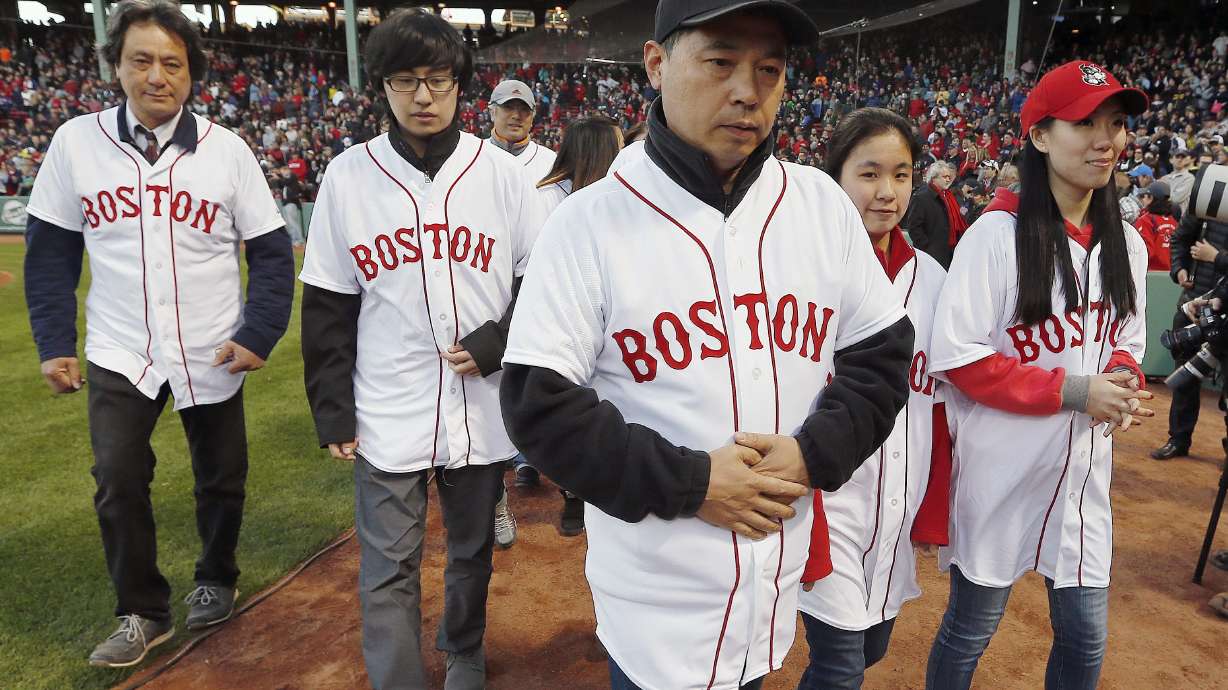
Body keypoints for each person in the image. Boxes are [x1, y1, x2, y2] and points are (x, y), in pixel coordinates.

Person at [500, 1, 915, 688]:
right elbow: (538, 406)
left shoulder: (817, 205)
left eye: (770, 69)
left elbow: (883, 355)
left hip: (773, 597)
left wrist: (815, 454)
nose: (748, 91)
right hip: (653, 613)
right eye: (721, 61)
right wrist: (694, 483)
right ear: (657, 65)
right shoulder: (589, 222)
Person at [22, 0, 294, 668]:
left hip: (211, 342)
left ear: (192, 75)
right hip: (122, 346)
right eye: (141, 59)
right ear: (115, 65)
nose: (156, 75)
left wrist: (258, 332)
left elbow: (272, 252)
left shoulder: (227, 152)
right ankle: (142, 611)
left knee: (222, 479)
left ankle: (217, 577)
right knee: (117, 477)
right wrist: (55, 341)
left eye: (172, 63)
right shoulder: (75, 144)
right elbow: (50, 253)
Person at [298, 10, 544, 689]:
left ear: (461, 85)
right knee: (387, 564)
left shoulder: (500, 175)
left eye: (437, 79)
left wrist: (498, 340)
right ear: (382, 86)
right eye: (406, 80)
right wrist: (333, 409)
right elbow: (326, 303)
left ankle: (463, 650)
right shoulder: (348, 177)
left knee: (470, 551)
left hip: (478, 402)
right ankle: (399, 678)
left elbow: (543, 283)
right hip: (387, 400)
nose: (424, 96)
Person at [925, 61, 1153, 690]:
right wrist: (1079, 390)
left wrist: (1122, 380)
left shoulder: (1125, 242)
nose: (1106, 139)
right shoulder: (994, 236)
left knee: (1084, 641)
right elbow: (959, 356)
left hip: (1083, 472)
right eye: (1085, 123)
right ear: (1040, 136)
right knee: (972, 627)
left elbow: (1126, 341)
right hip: (1003, 463)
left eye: (1116, 123)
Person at [795, 108, 950, 689]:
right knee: (840, 668)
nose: (887, 192)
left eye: (902, 174)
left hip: (896, 502)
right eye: (868, 174)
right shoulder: (803, 269)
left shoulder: (931, 279)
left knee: (871, 650)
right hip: (825, 500)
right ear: (835, 177)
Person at [512, 115, 625, 536]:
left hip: (586, 309)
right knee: (576, 400)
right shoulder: (555, 199)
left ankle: (569, 489)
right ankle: (573, 493)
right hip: (566, 310)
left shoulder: (562, 195)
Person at [485, 76, 557, 548]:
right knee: (486, 385)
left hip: (542, 282)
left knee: (536, 375)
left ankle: (530, 455)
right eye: (508, 108)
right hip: (487, 283)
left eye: (525, 109)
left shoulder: (552, 163)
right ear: (490, 110)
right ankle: (493, 497)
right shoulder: (469, 159)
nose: (516, 115)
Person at [1151, 187, 1228, 460]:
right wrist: (1179, 269)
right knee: (1185, 378)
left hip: (1224, 311)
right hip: (1193, 305)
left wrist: (1215, 257)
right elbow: (1180, 240)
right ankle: (1178, 439)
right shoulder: (1209, 196)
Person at [903, 160, 968, 269]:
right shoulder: (921, 197)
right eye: (945, 177)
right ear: (934, 178)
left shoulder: (950, 196)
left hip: (950, 253)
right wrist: (928, 248)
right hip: (931, 255)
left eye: (949, 177)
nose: (948, 179)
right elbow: (914, 227)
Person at [1134, 180, 1179, 271]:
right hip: (1172, 274)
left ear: (1151, 198)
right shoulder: (1174, 221)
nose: (1143, 199)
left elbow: (1144, 251)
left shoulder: (1145, 220)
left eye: (1145, 196)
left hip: (1151, 274)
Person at [276, 165, 305, 246]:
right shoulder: (285, 179)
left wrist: (278, 177)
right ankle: (294, 239)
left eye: (283, 170)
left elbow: (286, 182)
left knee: (293, 222)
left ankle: (299, 240)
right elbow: (281, 184)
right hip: (285, 203)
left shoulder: (292, 176)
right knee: (289, 223)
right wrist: (278, 178)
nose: (282, 172)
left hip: (291, 202)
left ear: (287, 170)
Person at [1161, 149, 1196, 214]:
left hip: (1180, 217)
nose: (1180, 160)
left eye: (1183, 157)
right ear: (1171, 160)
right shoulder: (1165, 178)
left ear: (1185, 160)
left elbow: (1176, 199)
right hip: (1165, 216)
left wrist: (1164, 197)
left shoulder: (1189, 178)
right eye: (1177, 157)